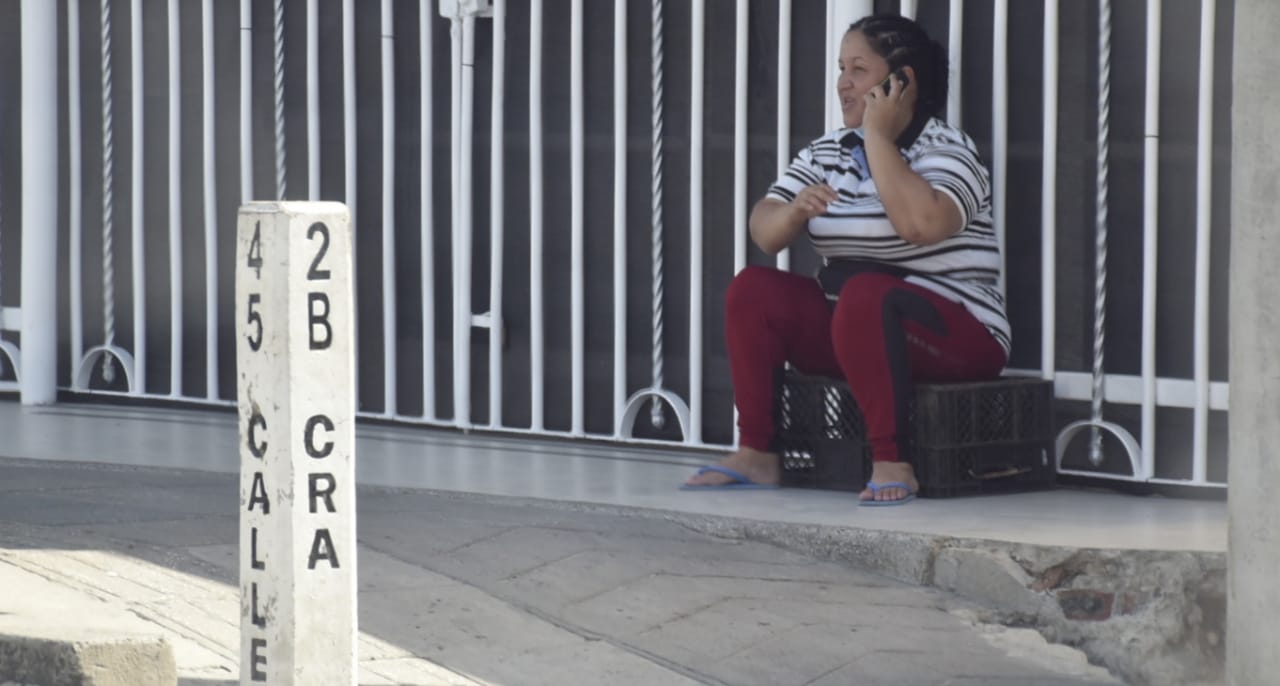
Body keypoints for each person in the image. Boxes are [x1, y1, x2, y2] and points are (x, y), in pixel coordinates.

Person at [683, 14, 1009, 504]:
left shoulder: (947, 149)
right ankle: (757, 453)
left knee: (866, 292)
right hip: (857, 332)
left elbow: (920, 224)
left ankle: (891, 459)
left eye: (858, 69)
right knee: (754, 289)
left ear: (902, 82)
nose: (843, 83)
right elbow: (765, 234)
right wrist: (793, 211)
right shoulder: (828, 151)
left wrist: (879, 139)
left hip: (957, 336)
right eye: (841, 68)